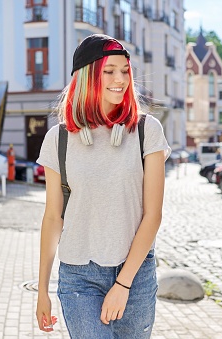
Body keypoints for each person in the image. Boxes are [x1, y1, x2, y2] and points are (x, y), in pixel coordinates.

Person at [35, 34, 170, 338]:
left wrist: (123, 284)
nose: (120, 79)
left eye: (125, 71)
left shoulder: (147, 130)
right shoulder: (58, 139)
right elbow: (53, 218)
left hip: (134, 275)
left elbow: (153, 215)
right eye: (109, 71)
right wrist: (42, 289)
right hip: (79, 278)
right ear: (87, 76)